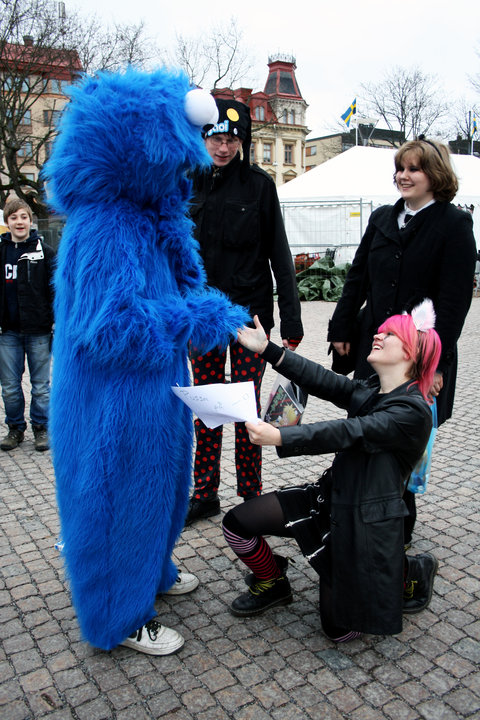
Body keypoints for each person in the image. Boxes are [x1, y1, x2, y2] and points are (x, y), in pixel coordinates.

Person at [222, 302, 441, 642]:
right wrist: (267, 348)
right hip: (331, 497)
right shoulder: (371, 387)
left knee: (337, 631)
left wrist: (280, 435)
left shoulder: (413, 411)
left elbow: (351, 432)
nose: (377, 334)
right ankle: (274, 582)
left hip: (363, 526)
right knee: (235, 525)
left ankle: (410, 570)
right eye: (380, 330)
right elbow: (323, 380)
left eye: (389, 333)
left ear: (411, 352)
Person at [327, 138, 477, 545]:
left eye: (414, 169)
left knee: (404, 443)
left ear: (436, 175)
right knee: (365, 426)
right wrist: (341, 329)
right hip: (375, 350)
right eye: (400, 168)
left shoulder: (454, 225)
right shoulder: (381, 218)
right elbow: (357, 278)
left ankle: (397, 531)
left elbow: (454, 304)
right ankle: (360, 514)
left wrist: (438, 365)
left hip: (419, 356)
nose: (404, 176)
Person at [186, 98, 304, 525]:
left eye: (232, 139)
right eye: (216, 138)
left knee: (246, 409)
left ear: (242, 141)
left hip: (249, 318)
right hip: (203, 320)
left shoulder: (259, 185)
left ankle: (250, 495)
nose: (223, 147)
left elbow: (280, 253)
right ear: (204, 138)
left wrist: (290, 320)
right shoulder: (188, 182)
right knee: (207, 408)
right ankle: (205, 492)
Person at [0, 198, 55, 452]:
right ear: (7, 222)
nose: (19, 222)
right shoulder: (1, 252)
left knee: (41, 386)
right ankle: (15, 428)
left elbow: (56, 289)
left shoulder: (46, 252)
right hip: (7, 331)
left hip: (39, 331)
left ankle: (41, 428)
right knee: (11, 386)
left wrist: (53, 320)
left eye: (23, 217)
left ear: (30, 220)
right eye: (14, 218)